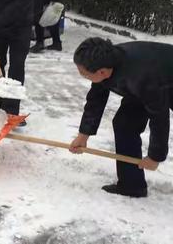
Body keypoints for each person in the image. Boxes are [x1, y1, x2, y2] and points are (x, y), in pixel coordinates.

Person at [70, 37, 173, 198]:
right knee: (124, 124)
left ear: (102, 72)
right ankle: (131, 185)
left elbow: (159, 117)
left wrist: (155, 156)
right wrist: (83, 135)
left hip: (163, 79)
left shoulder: (142, 75)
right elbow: (95, 100)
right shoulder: (104, 61)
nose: (83, 76)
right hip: (147, 85)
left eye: (85, 74)